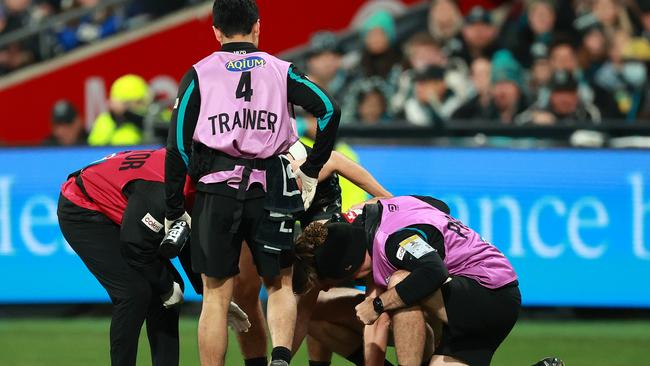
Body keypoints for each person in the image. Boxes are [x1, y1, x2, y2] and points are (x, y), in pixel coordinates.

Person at [163, 1, 341, 365]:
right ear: (258, 26)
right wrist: (312, 167)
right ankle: (280, 358)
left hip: (217, 189)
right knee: (280, 284)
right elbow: (329, 109)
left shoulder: (199, 73)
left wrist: (173, 209)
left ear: (215, 31)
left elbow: (178, 146)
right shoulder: (280, 69)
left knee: (215, 296)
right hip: (271, 187)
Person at [294, 196, 563, 366]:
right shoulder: (375, 221)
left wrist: (376, 305)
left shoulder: (392, 241)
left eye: (335, 280)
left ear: (349, 268)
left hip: (488, 295)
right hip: (475, 304)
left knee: (401, 281)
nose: (330, 287)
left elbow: (433, 272)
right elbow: (439, 206)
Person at [57, 148, 250, 366]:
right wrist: (166, 285)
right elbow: (134, 245)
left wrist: (212, 297)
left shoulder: (192, 175)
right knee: (133, 293)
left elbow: (189, 242)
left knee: (166, 291)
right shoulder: (163, 192)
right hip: (82, 208)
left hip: (118, 200)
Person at [233, 140, 392, 366]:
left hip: (319, 200)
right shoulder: (239, 191)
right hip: (272, 202)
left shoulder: (288, 174)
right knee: (261, 292)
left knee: (313, 283)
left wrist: (387, 197)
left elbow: (335, 160)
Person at [88, 74, 150, 146]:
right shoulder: (105, 120)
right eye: (138, 102)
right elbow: (93, 150)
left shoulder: (154, 117)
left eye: (141, 102)